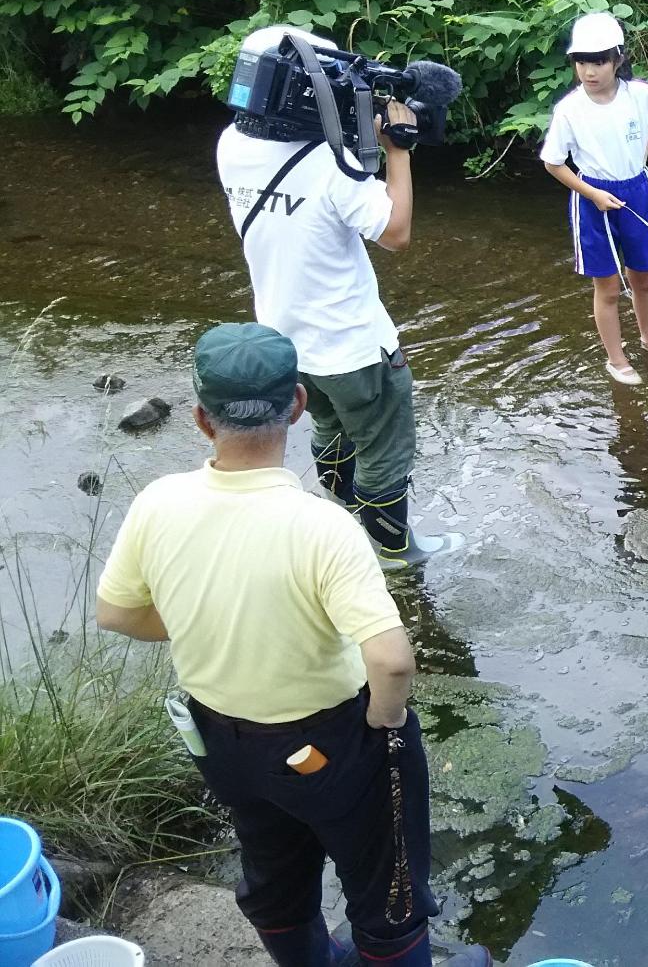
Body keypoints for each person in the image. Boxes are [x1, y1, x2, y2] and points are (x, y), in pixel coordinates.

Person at [95, 323, 487, 967]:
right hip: (328, 742)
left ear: (200, 418)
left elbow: (117, 612)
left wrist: (204, 621)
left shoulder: (158, 502)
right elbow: (390, 659)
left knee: (273, 875)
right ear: (299, 406)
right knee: (387, 893)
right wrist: (383, 726)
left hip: (220, 741)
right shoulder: (321, 525)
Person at [217, 24, 462, 572]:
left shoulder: (230, 145)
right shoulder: (334, 166)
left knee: (328, 426)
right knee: (382, 447)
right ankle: (397, 552)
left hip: (286, 339)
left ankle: (345, 516)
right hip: (353, 345)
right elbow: (394, 231)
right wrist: (399, 151)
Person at [540, 11, 648, 385]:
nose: (590, 71)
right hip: (592, 198)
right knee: (607, 286)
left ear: (618, 59)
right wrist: (592, 194)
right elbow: (553, 163)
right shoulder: (569, 109)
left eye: (599, 61)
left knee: (643, 276)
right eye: (582, 62)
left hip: (637, 190)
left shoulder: (639, 94)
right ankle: (617, 359)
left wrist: (645, 144)